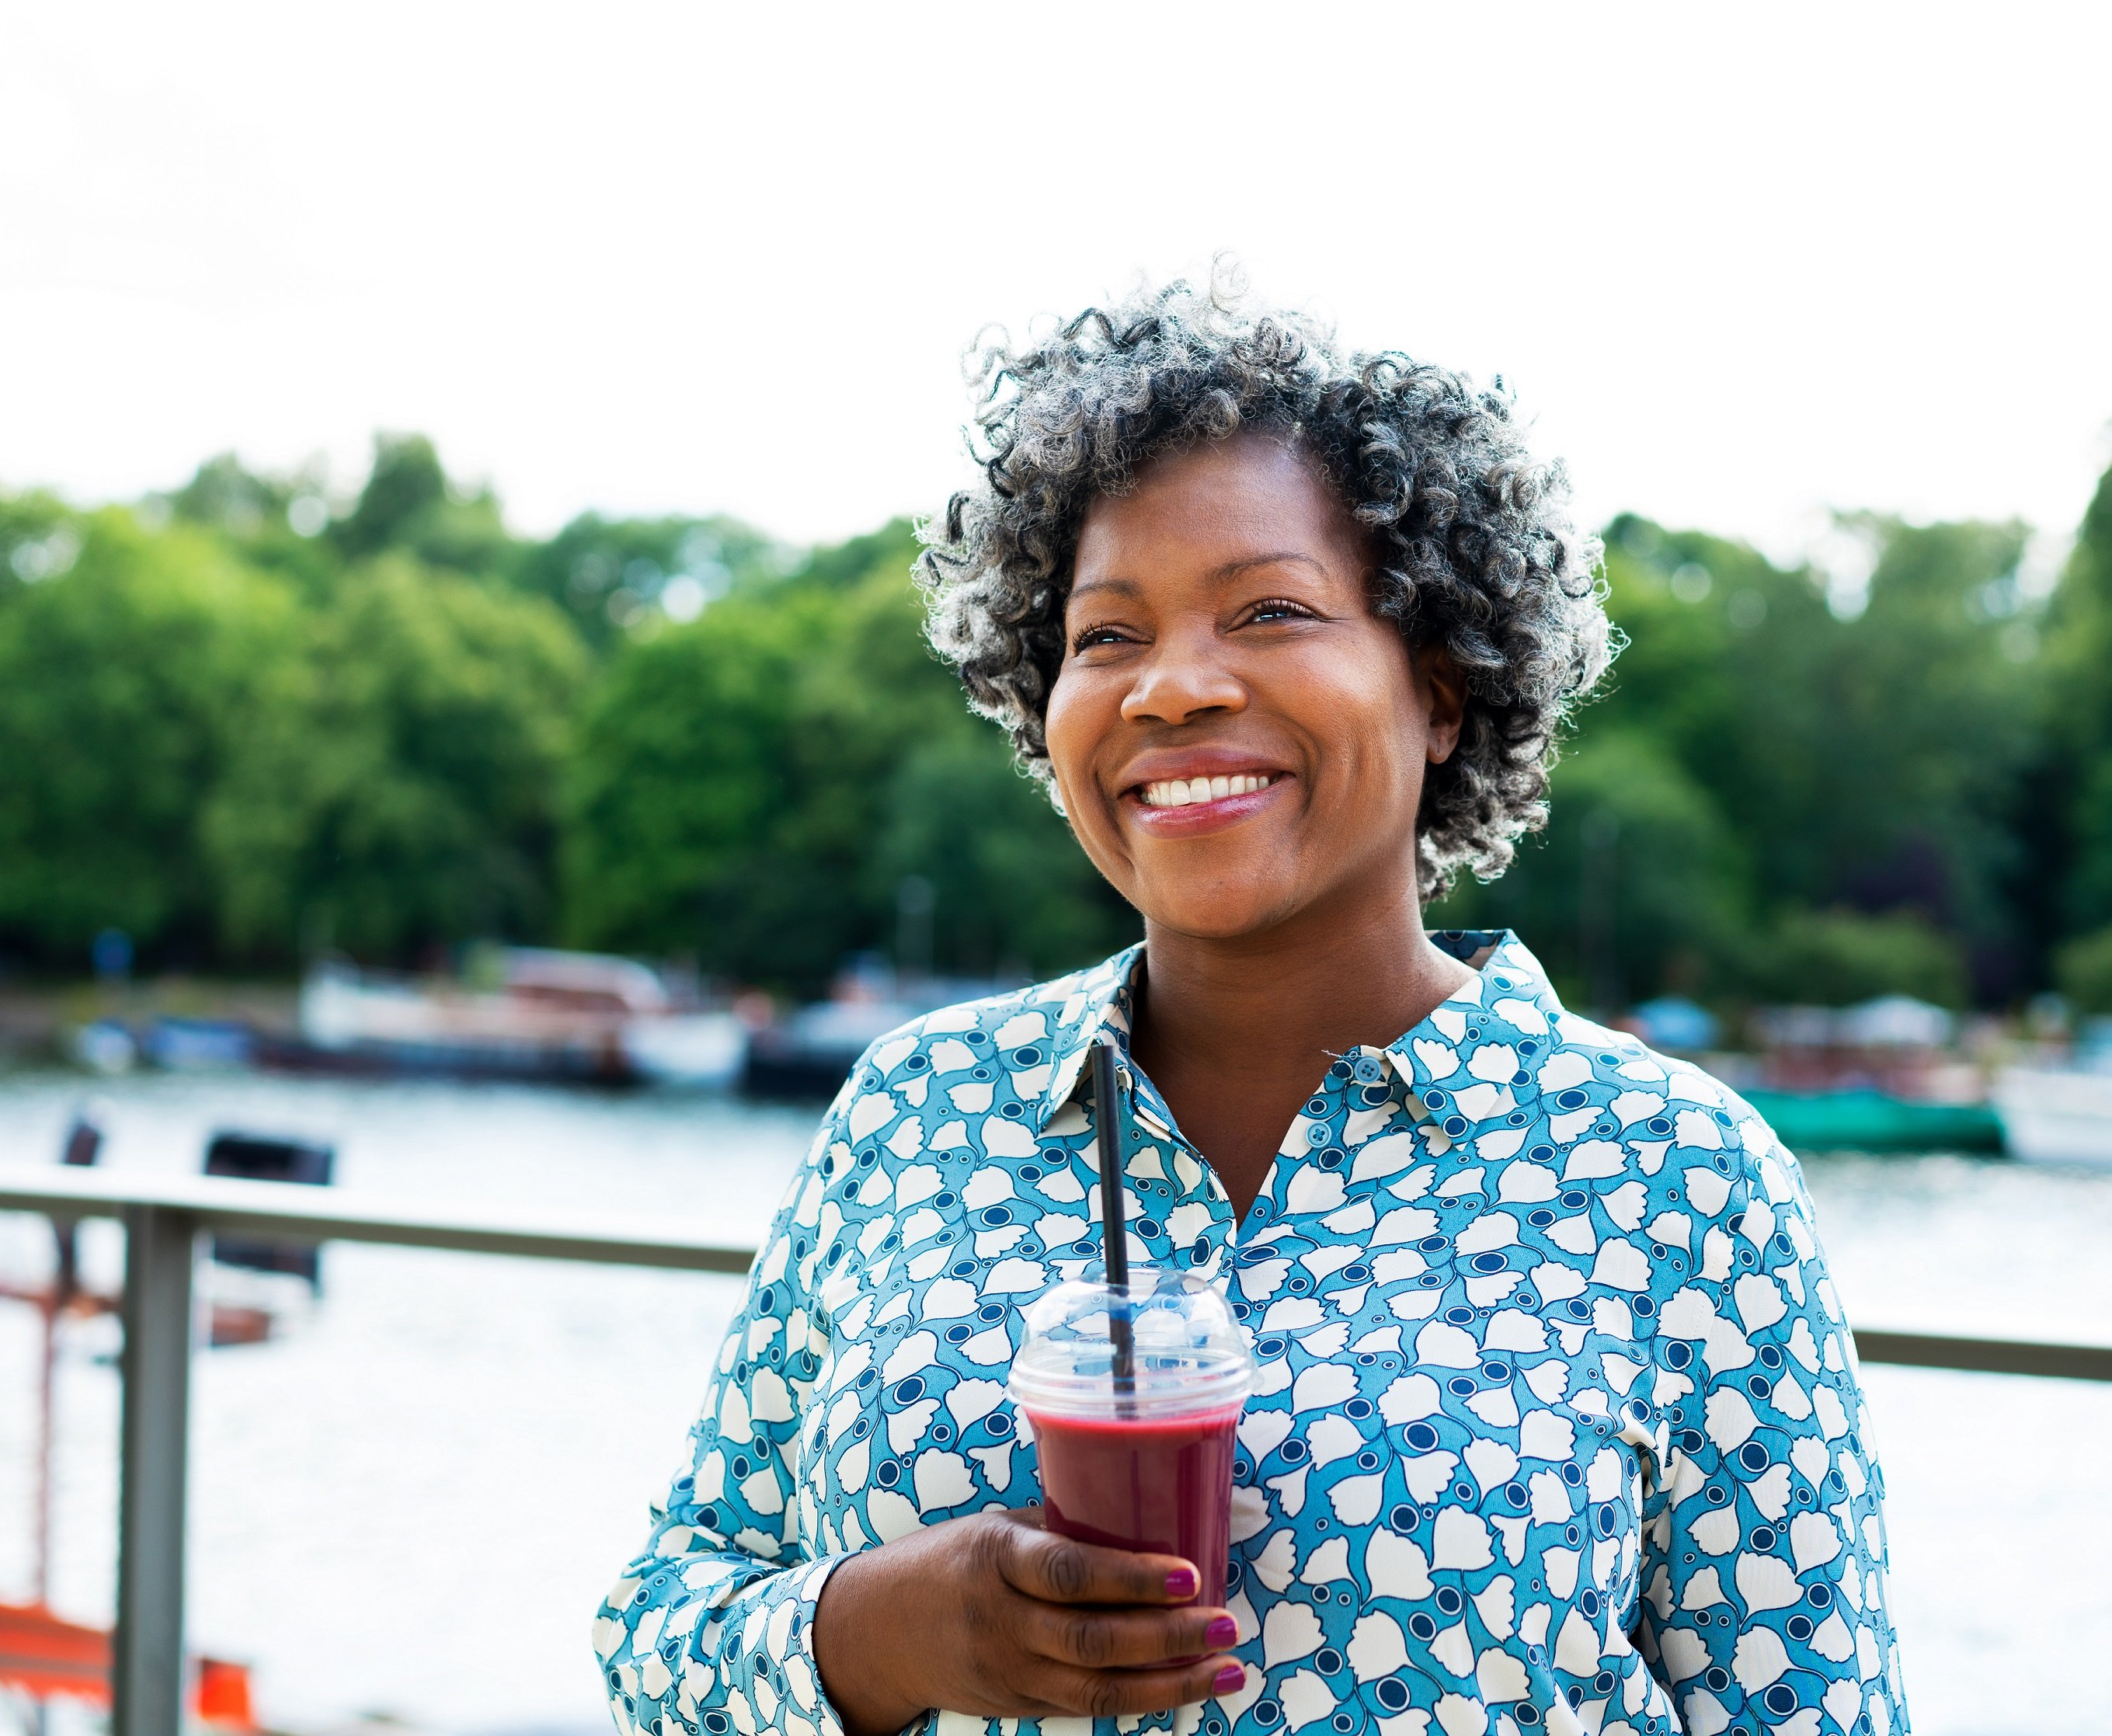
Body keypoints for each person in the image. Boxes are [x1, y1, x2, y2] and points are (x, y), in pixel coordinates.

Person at [596, 280, 1908, 1736]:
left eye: (1272, 609)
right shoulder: (913, 1111)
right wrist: (882, 1631)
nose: (1170, 686)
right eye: (1106, 635)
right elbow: (664, 1624)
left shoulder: (1683, 1179)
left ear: (1446, 684)